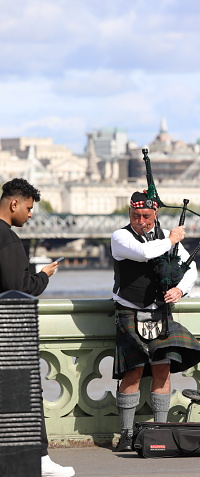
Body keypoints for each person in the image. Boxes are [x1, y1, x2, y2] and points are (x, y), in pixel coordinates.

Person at [111, 190, 200, 451]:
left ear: (155, 215)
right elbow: (143, 253)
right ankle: (127, 435)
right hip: (129, 310)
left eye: (146, 216)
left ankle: (161, 431)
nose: (141, 221)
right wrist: (171, 239)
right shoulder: (120, 237)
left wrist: (180, 290)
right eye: (135, 215)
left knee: (163, 370)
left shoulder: (165, 237)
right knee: (134, 371)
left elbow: (189, 267)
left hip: (160, 311)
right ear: (129, 213)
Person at [0, 178, 75, 477]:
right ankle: (39, 459)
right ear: (13, 203)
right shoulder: (7, 239)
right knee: (27, 395)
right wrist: (43, 275)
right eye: (29, 208)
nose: (30, 215)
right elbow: (18, 288)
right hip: (10, 331)